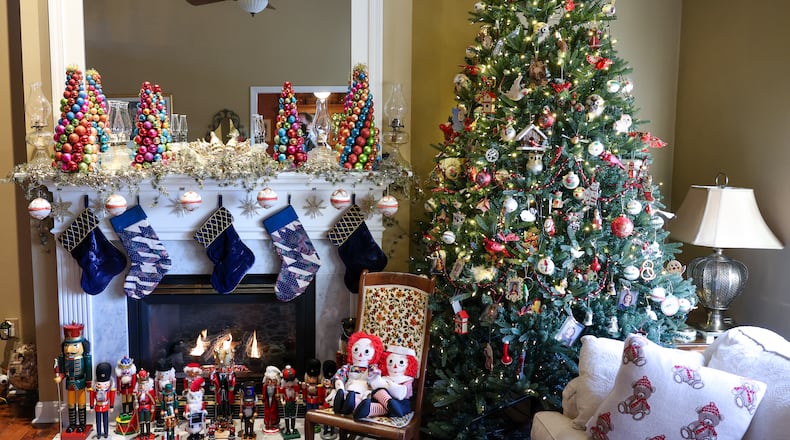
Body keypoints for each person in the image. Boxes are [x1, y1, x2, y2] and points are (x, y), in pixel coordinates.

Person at [54, 323, 92, 434]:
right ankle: (72, 424)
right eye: (67, 346)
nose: (69, 349)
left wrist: (89, 384)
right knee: (70, 404)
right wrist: (60, 377)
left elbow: (88, 370)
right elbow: (61, 371)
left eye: (75, 345)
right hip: (70, 382)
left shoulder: (85, 358)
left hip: (81, 382)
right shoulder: (63, 359)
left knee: (81, 404)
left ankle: (82, 424)